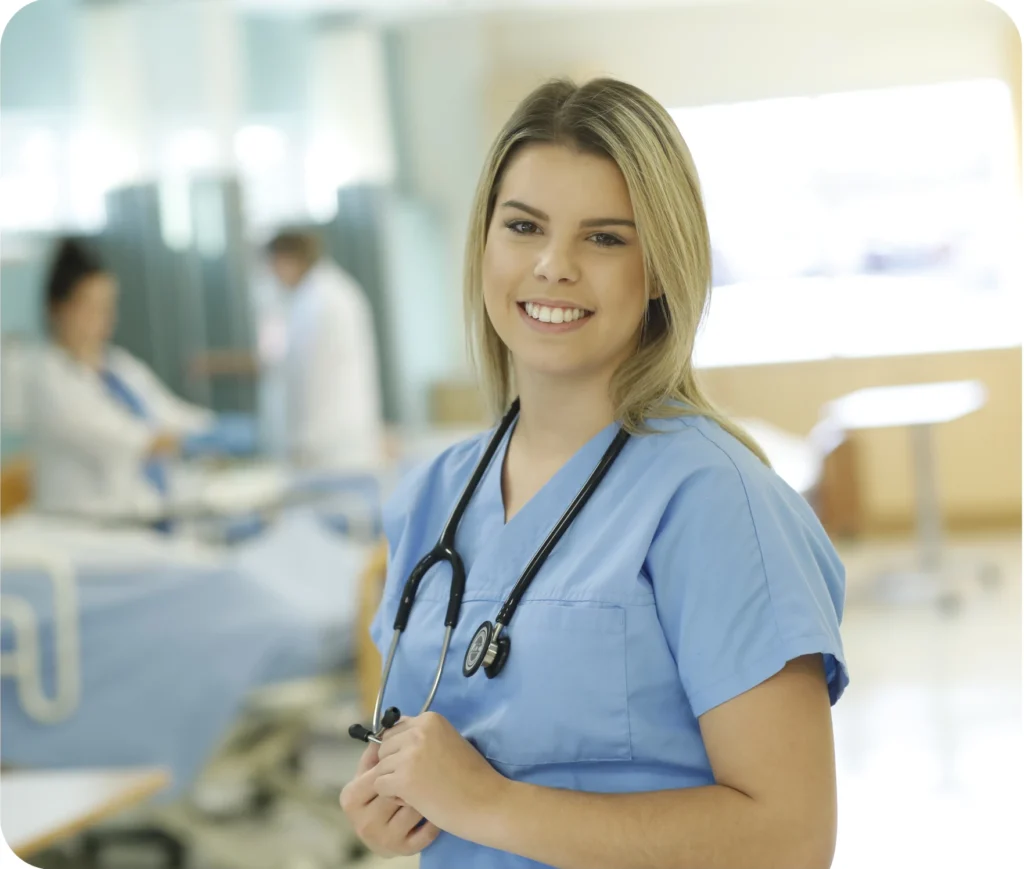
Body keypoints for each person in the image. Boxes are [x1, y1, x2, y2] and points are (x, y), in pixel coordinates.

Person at [340, 77, 849, 869]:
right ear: (484, 245)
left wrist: (490, 804)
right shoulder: (433, 498)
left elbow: (791, 838)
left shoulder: (716, 503)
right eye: (523, 226)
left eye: (605, 238)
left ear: (660, 268)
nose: (553, 266)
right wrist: (396, 805)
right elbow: (429, 760)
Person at [26, 238, 215, 521]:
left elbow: (168, 412)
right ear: (58, 309)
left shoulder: (120, 366)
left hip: (138, 514)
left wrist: (213, 428)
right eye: (91, 307)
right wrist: (191, 441)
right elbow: (131, 438)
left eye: (108, 306)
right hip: (82, 525)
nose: (104, 319)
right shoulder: (48, 380)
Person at [262, 231, 384, 471]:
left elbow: (305, 376)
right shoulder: (326, 293)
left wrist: (299, 440)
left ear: (289, 259)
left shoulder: (318, 300)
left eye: (274, 265)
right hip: (336, 437)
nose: (273, 274)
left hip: (328, 442)